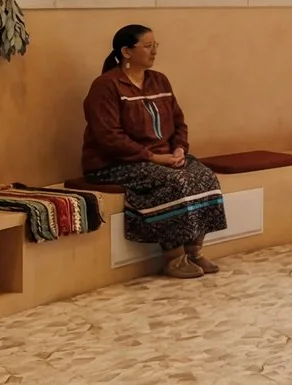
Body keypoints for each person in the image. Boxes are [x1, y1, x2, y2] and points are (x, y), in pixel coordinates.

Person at [81, 24, 227, 280]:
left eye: (155, 46)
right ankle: (174, 258)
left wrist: (179, 149)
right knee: (174, 181)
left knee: (205, 176)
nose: (154, 51)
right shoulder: (106, 85)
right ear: (126, 51)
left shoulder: (159, 80)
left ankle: (194, 251)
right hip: (115, 163)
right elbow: (109, 137)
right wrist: (153, 157)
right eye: (148, 46)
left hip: (164, 157)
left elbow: (179, 122)